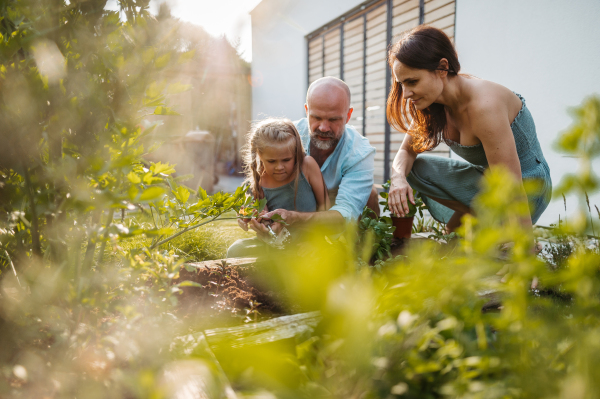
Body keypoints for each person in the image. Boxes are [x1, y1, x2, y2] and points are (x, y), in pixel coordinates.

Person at [386, 25, 551, 233]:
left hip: (526, 189)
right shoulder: (432, 105)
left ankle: (484, 223)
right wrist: (398, 178)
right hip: (488, 182)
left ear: (442, 68)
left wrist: (523, 247)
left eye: (412, 81)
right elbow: (405, 152)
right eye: (401, 84)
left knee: (479, 251)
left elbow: (510, 184)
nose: (407, 93)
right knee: (417, 170)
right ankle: (476, 216)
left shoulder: (484, 107)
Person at [227, 118, 330, 257]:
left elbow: (326, 208)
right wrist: (246, 217)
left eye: (286, 160)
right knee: (235, 250)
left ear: (296, 153)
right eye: (271, 161)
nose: (279, 167)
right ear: (260, 156)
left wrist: (317, 241)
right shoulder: (258, 181)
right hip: (274, 246)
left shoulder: (307, 167)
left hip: (308, 243)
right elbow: (250, 210)